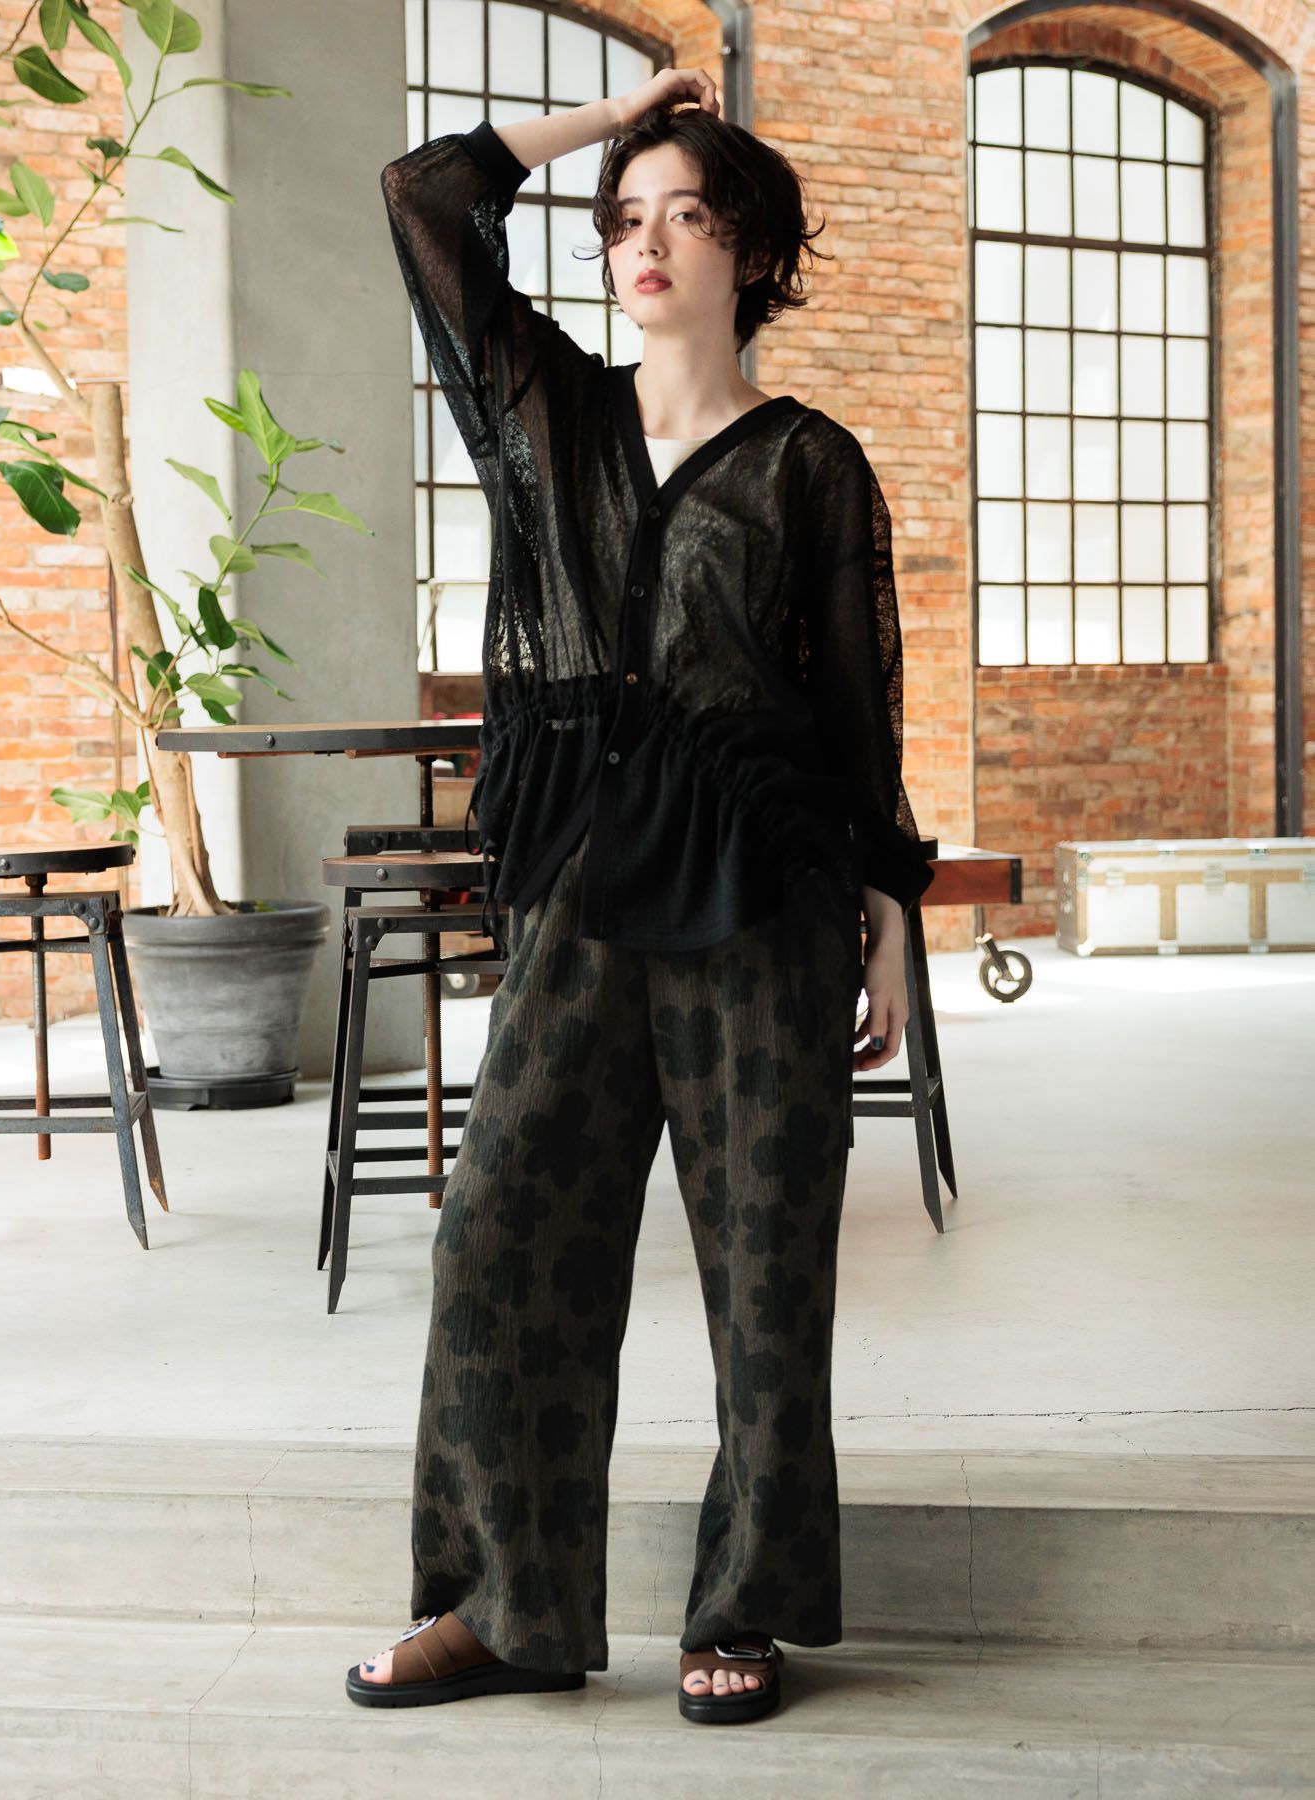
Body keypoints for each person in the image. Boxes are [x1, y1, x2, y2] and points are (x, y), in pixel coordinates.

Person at [348, 64, 934, 1725]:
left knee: (767, 1271)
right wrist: (610, 121)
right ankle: (503, 1606)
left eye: (687, 213)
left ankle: (742, 1610)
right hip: (582, 883)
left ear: (753, 249)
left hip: (765, 899)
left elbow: (858, 717)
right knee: (498, 1240)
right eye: (626, 218)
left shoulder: (812, 462)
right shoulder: (545, 409)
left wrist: (893, 916)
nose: (647, 242)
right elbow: (422, 196)